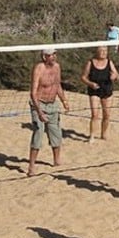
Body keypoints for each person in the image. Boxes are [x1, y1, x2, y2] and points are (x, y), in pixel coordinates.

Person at [27, 48, 70, 176]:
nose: (54, 57)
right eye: (51, 55)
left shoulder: (57, 67)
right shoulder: (39, 69)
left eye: (55, 54)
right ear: (44, 57)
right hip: (39, 104)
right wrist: (39, 112)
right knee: (38, 133)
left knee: (56, 132)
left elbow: (57, 85)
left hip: (52, 104)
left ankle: (56, 160)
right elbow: (33, 93)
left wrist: (64, 100)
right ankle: (31, 166)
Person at [80, 45, 119, 142]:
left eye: (105, 50)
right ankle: (92, 135)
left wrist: (114, 76)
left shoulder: (109, 62)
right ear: (97, 51)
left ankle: (104, 134)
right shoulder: (90, 62)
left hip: (107, 90)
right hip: (94, 90)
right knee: (95, 114)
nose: (103, 52)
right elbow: (83, 77)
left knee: (106, 114)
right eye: (101, 50)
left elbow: (117, 75)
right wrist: (90, 84)